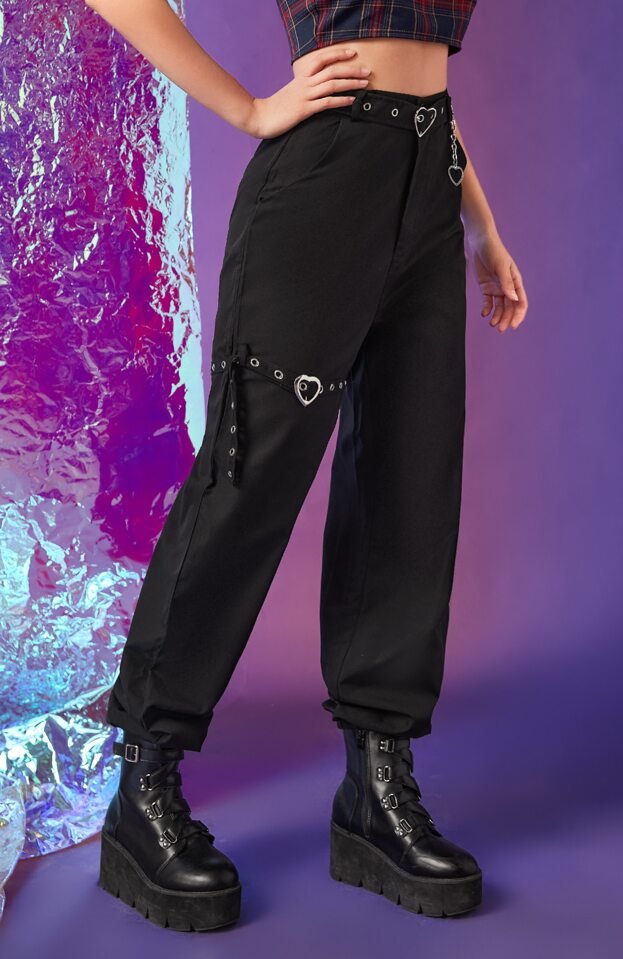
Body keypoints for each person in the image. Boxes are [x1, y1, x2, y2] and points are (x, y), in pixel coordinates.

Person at [86, 0, 529, 931]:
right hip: (322, 176)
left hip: (429, 180)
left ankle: (375, 790)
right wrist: (249, 109)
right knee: (247, 480)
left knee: (410, 483)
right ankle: (144, 783)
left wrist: (479, 225)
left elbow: (420, 72)